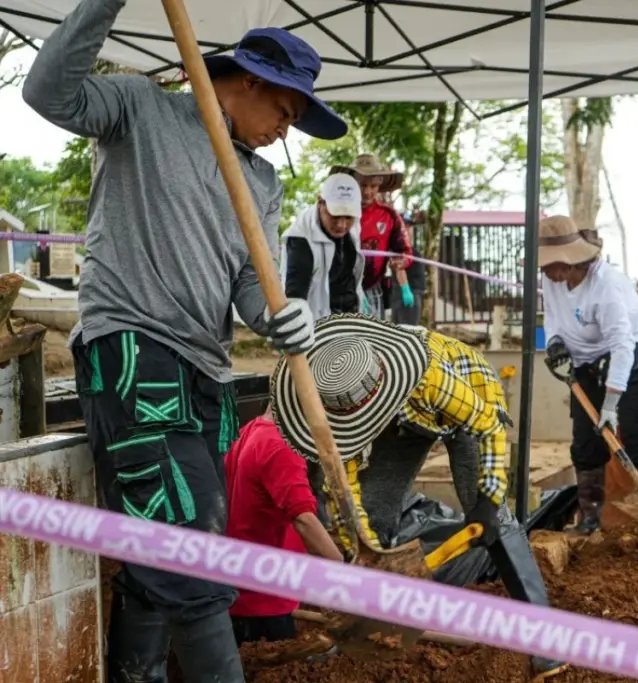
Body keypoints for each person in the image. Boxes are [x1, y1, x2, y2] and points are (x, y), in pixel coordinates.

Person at [22, 0, 337, 678]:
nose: (285, 132)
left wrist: (285, 314)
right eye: (285, 110)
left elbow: (255, 289)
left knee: (163, 547)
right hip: (133, 350)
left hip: (204, 373)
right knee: (191, 548)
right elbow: (45, 92)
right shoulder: (144, 110)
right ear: (248, 78)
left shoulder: (260, 179)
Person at [270, 314, 568, 681]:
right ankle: (359, 632)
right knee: (374, 514)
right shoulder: (332, 407)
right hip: (400, 419)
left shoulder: (429, 376)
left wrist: (491, 496)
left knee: (489, 514)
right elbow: (345, 495)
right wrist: (361, 553)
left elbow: (486, 423)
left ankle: (545, 643)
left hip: (463, 406)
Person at [539, 215, 638, 535]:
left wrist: (611, 403)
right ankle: (590, 519)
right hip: (584, 363)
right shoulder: (550, 280)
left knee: (637, 434)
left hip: (633, 356)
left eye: (548, 264)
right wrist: (555, 343)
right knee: (585, 442)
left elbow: (622, 343)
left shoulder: (607, 285)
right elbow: (552, 317)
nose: (543, 271)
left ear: (568, 261)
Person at [224, 406, 344, 646]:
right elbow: (304, 520)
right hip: (264, 598)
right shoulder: (282, 448)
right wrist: (343, 572)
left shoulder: (254, 429)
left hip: (241, 582)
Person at [333, 155, 414, 317]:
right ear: (351, 182)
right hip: (338, 290)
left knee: (372, 340)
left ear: (380, 185)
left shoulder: (389, 216)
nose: (367, 192)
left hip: (373, 290)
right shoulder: (336, 211)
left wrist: (401, 262)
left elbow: (404, 252)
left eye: (373, 186)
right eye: (361, 185)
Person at [281, 172, 365, 319]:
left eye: (348, 217)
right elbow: (295, 297)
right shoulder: (301, 238)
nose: (342, 225)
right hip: (318, 322)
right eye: (335, 215)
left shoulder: (354, 225)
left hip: (350, 314)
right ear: (320, 202)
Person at [389, 221, 427, 325]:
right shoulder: (400, 248)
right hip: (408, 294)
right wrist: (405, 289)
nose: (408, 230)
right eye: (405, 227)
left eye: (409, 227)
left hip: (410, 293)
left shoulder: (407, 248)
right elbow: (399, 268)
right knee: (408, 331)